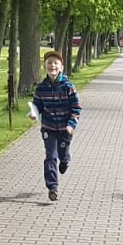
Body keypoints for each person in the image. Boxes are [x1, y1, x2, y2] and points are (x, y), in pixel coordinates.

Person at [32, 49, 80, 202]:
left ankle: (65, 160)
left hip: (66, 128)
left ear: (61, 67)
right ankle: (53, 187)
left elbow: (76, 108)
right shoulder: (41, 87)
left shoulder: (68, 86)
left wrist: (71, 124)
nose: (52, 66)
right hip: (49, 128)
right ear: (45, 66)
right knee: (51, 156)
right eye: (49, 63)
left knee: (62, 153)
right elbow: (37, 105)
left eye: (55, 63)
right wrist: (34, 113)